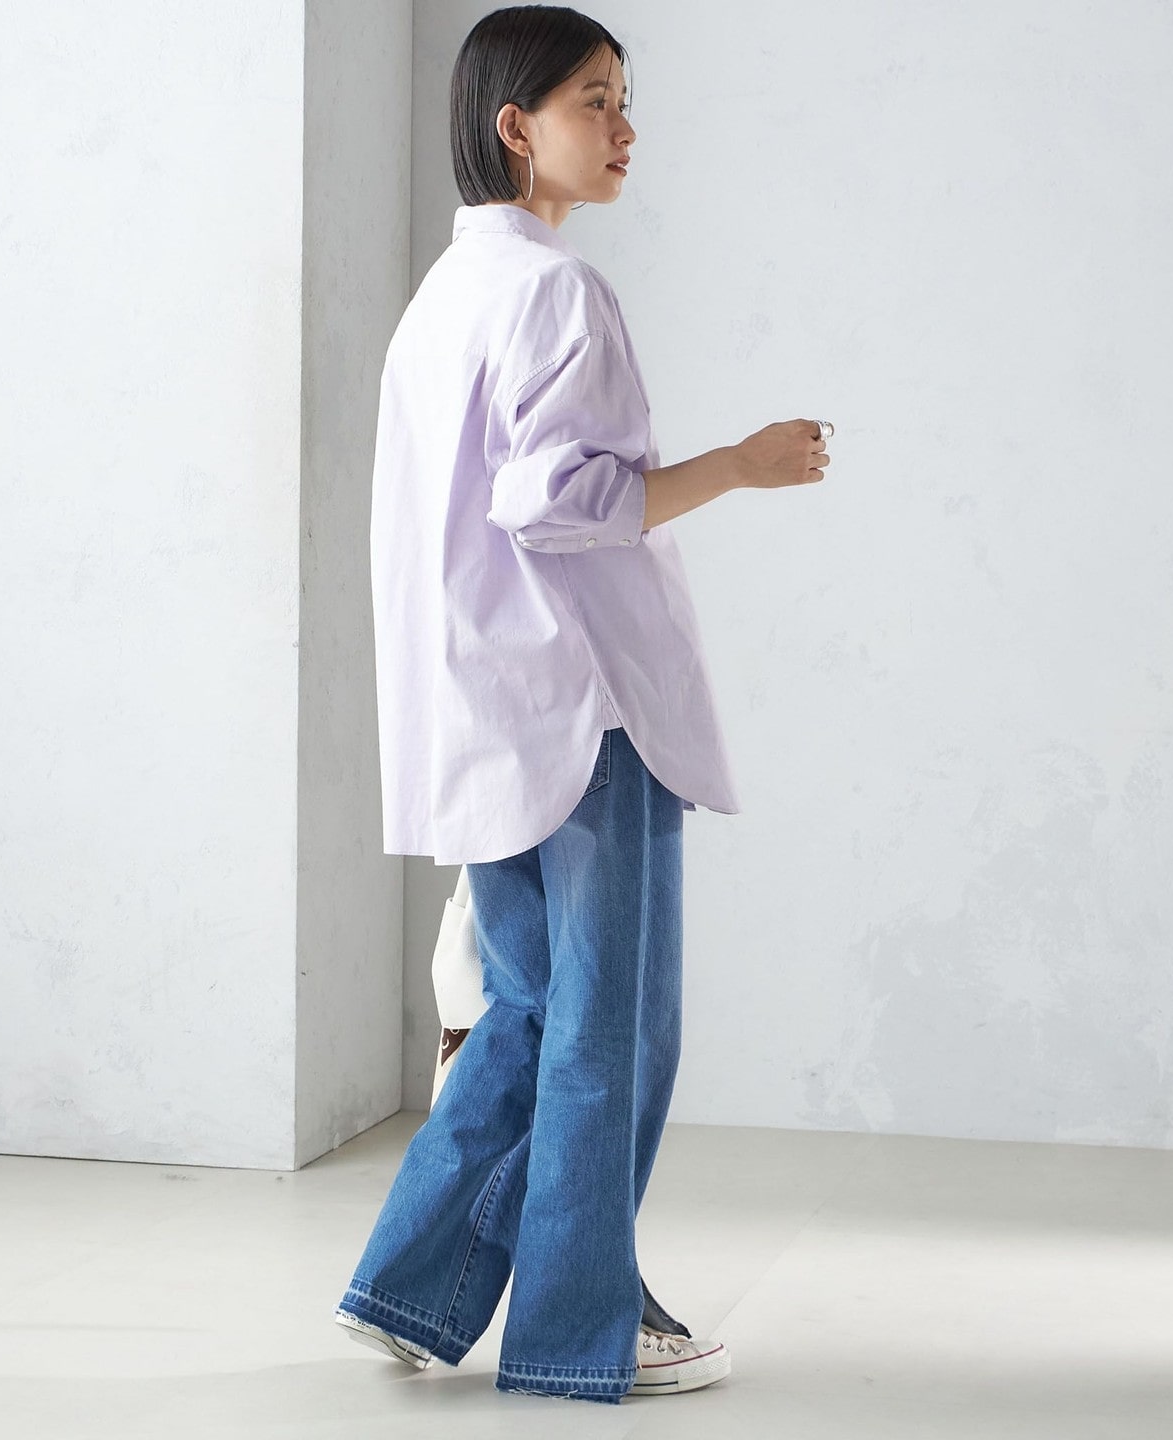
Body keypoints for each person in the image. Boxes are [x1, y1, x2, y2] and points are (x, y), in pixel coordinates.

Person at [333, 4, 833, 1405]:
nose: (625, 128)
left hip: (485, 706)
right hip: (583, 711)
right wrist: (739, 465)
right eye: (595, 101)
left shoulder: (446, 296)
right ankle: (578, 1328)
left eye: (624, 99)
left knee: (531, 1010)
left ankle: (413, 1284)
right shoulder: (557, 292)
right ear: (518, 125)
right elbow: (560, 505)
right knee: (612, 1028)